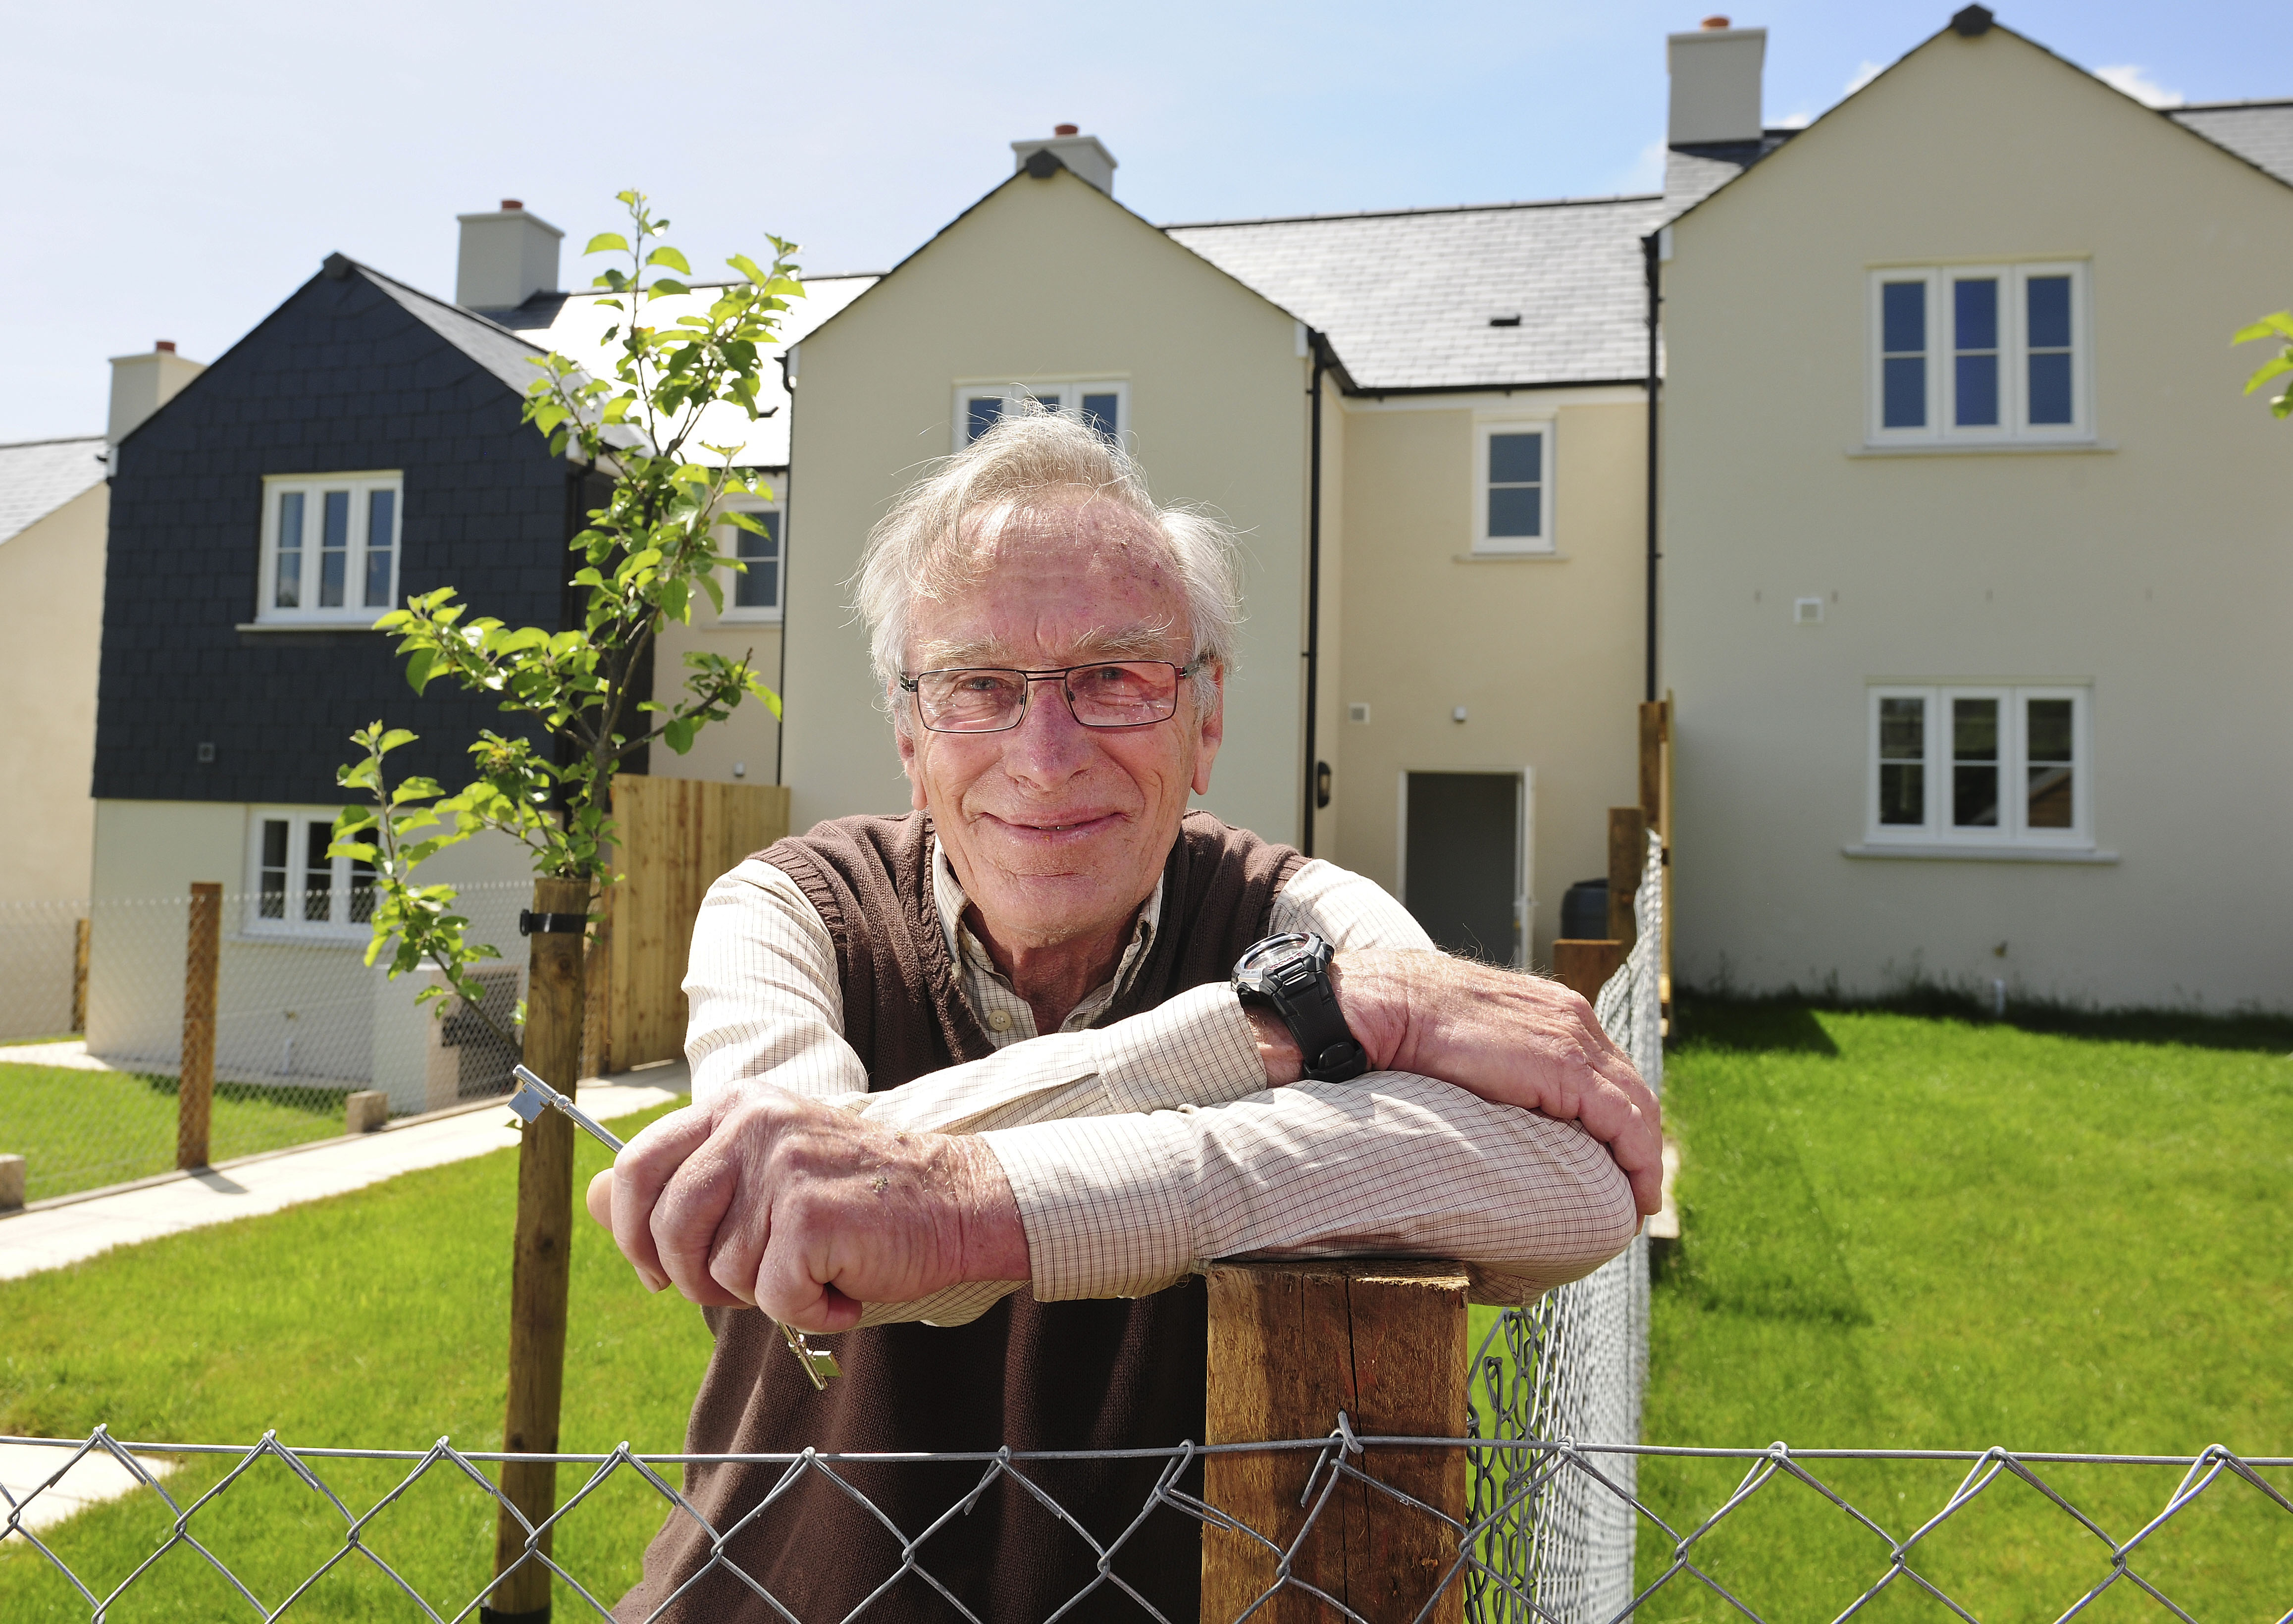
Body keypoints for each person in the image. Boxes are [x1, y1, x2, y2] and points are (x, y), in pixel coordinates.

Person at [594, 405, 1660, 1623]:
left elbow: (1572, 1188)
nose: (1044, 755)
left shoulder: (1300, 913)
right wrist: (1263, 1036)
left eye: (1114, 677)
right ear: (907, 734)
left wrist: (957, 1205)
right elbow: (789, 1204)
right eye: (977, 685)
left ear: (1205, 721)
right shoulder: (791, 908)